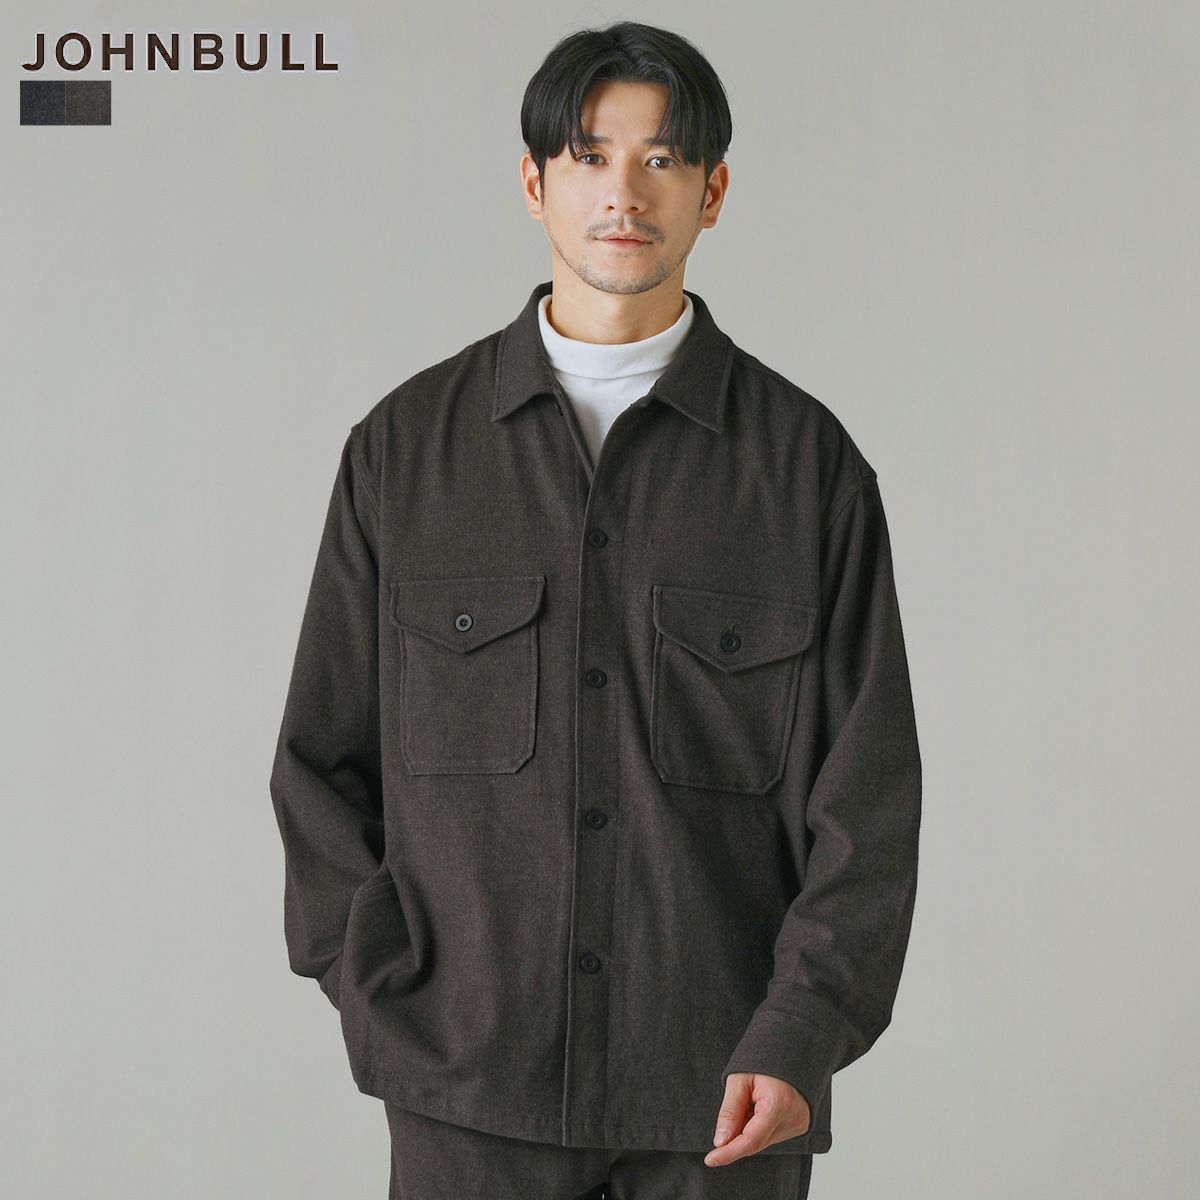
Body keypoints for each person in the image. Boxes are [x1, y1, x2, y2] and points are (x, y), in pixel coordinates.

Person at [269, 20, 922, 1200]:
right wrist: (385, 998)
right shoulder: (405, 455)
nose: (625, 191)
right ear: (535, 183)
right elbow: (318, 764)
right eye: (589, 156)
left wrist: (802, 1034)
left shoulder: (807, 470)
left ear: (713, 192)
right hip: (468, 1098)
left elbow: (868, 800)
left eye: (662, 159)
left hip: (722, 1100)